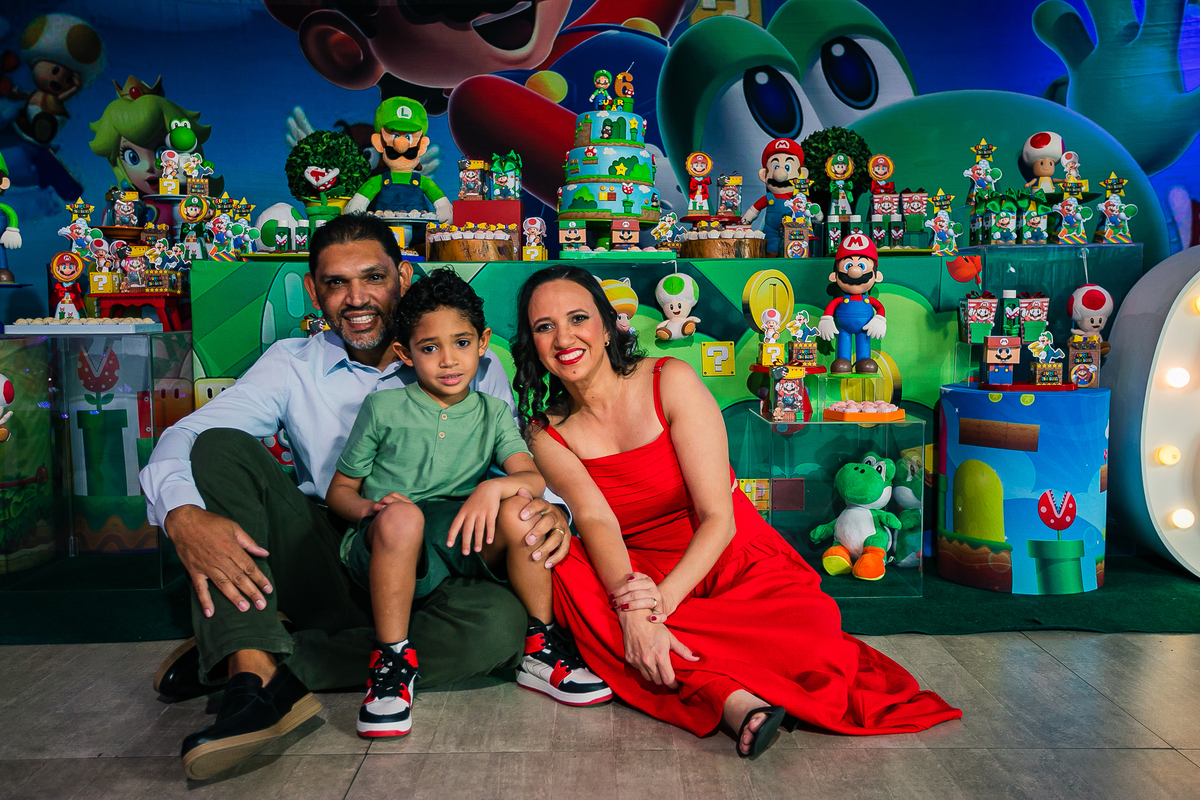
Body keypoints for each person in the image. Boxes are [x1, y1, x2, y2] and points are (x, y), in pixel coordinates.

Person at [139, 214, 573, 780]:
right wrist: (181, 513)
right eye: (336, 283)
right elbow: (188, 436)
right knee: (219, 445)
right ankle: (252, 676)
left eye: (373, 277)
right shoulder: (291, 364)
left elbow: (514, 461)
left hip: (430, 563)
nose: (356, 298)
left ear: (403, 277)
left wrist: (552, 510)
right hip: (326, 550)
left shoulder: (473, 366)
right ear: (313, 290)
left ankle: (256, 652)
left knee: (501, 626)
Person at [511, 265, 962, 759]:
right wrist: (634, 612)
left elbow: (718, 517)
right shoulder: (545, 430)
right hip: (636, 565)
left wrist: (658, 608)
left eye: (578, 318)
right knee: (580, 586)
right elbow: (597, 521)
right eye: (545, 326)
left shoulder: (668, 379)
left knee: (813, 635)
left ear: (605, 325)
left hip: (726, 553)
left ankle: (708, 681)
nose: (564, 338)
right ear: (533, 343)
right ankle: (731, 701)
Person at [325, 269, 611, 738]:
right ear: (405, 353)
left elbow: (531, 477)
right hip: (387, 540)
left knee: (522, 511)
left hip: (456, 533)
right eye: (429, 348)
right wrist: (369, 512)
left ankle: (539, 646)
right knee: (404, 517)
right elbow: (340, 491)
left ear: (483, 343)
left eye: (461, 343)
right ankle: (391, 660)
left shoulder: (492, 413)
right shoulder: (383, 408)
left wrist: (491, 488)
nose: (448, 360)